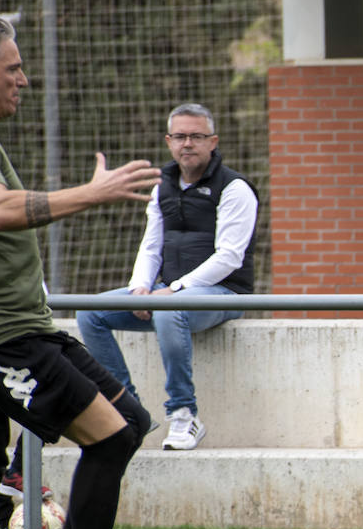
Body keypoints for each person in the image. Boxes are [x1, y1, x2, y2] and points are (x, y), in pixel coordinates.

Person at [0, 15, 162, 529]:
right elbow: (4, 210)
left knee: (134, 423)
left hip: (30, 329)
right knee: (111, 438)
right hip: (4, 341)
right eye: (12, 68)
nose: (24, 78)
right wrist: (93, 194)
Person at [76, 103, 259, 451]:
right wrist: (141, 287)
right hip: (169, 296)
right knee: (89, 311)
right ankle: (126, 407)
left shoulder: (235, 188)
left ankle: (184, 413)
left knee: (169, 308)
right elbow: (151, 245)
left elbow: (230, 257)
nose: (187, 143)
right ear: (168, 141)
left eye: (196, 136)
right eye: (180, 136)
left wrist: (173, 290)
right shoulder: (163, 186)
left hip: (223, 294)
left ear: (213, 141)